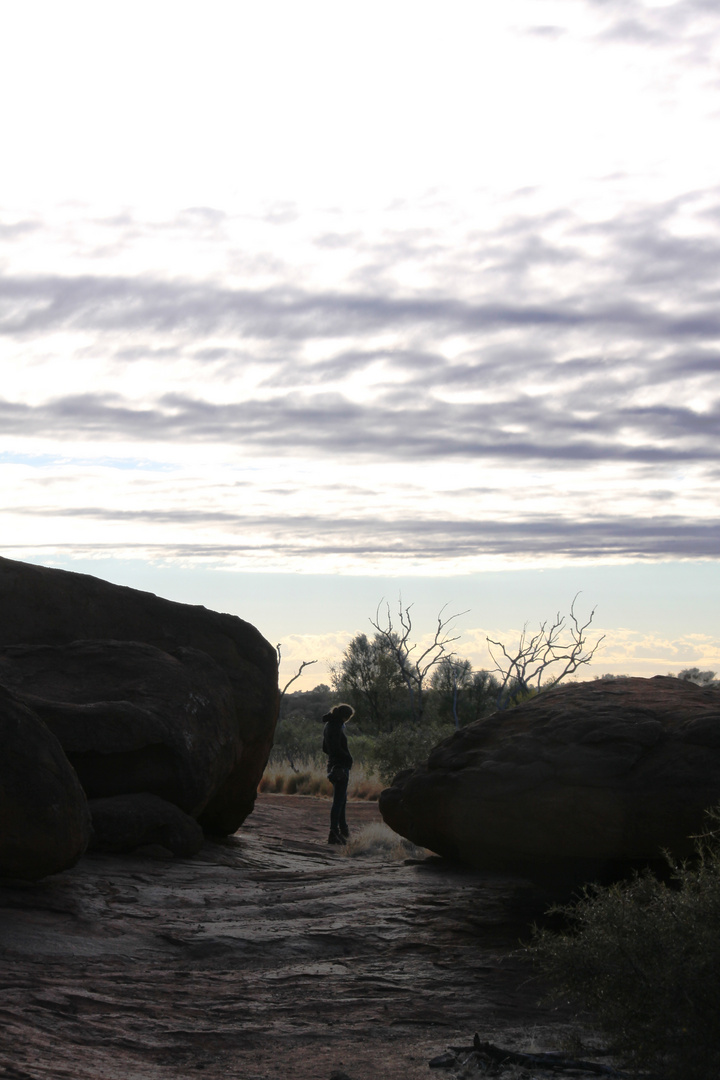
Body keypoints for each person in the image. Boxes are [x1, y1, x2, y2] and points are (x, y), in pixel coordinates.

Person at [321, 703, 354, 844]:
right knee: (339, 801)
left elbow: (325, 748)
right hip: (339, 767)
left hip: (333, 765)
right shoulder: (336, 727)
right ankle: (334, 833)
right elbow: (334, 748)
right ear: (345, 716)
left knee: (341, 800)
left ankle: (342, 831)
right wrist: (347, 757)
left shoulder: (329, 725)